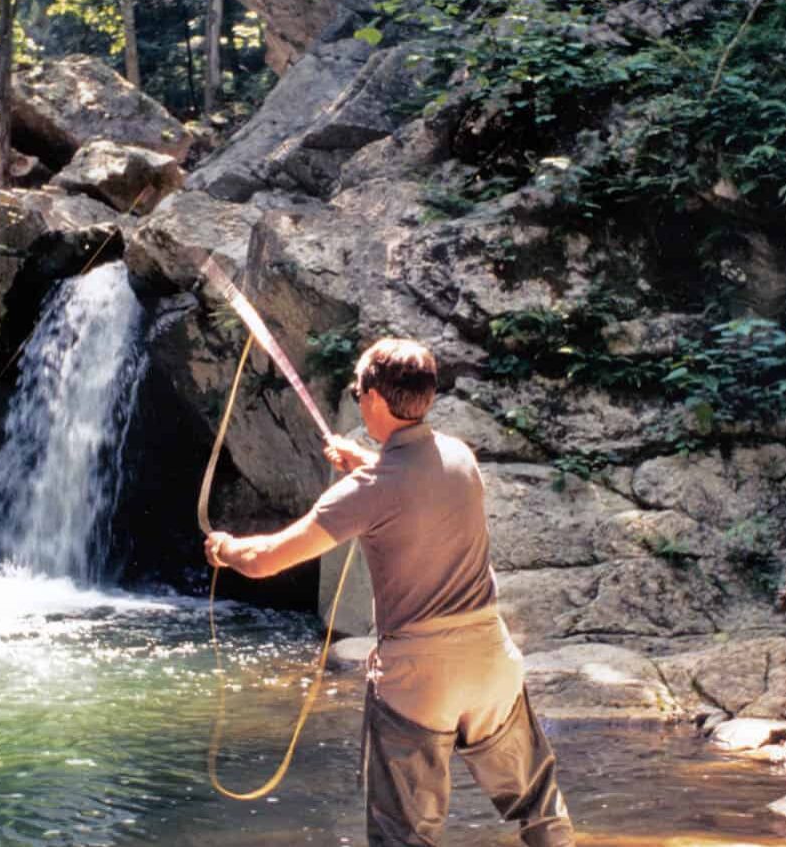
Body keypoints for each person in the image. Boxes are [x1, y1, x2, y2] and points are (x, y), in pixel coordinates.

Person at [203, 337, 575, 847]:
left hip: (418, 680)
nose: (357, 398)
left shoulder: (365, 493)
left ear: (375, 399)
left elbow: (267, 560)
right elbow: (413, 491)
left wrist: (225, 548)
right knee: (539, 808)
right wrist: (366, 461)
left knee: (404, 837)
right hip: (493, 665)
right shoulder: (459, 457)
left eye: (358, 390)